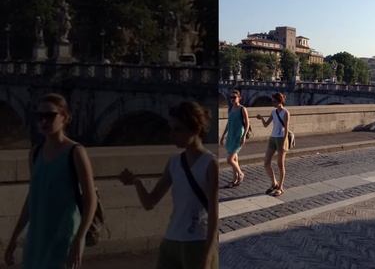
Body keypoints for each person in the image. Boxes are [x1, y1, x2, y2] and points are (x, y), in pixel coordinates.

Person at [118, 101, 218, 269]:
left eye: (178, 129)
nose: (171, 135)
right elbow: (149, 203)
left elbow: (214, 214)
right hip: (171, 241)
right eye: (171, 129)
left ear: (195, 129)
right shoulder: (174, 163)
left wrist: (207, 257)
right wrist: (137, 182)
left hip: (197, 243)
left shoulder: (210, 163)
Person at [4, 93, 97, 269]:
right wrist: (14, 237)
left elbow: (90, 200)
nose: (43, 121)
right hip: (36, 237)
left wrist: (79, 238)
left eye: (50, 116)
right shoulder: (35, 153)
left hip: (64, 236)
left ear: (65, 117)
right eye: (39, 117)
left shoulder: (76, 152)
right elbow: (32, 197)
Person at [256, 92, 290, 197]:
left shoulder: (285, 113)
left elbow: (286, 129)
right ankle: (274, 183)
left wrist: (284, 142)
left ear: (280, 101)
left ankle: (280, 187)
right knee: (266, 163)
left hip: (281, 139)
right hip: (273, 138)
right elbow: (266, 125)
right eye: (272, 101)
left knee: (280, 165)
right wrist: (261, 118)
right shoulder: (274, 112)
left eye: (274, 101)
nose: (272, 103)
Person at [219, 90, 249, 188]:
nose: (232, 99)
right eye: (231, 97)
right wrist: (223, 135)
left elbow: (247, 124)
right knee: (234, 158)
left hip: (238, 136)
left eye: (234, 97)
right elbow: (229, 123)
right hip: (231, 135)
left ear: (239, 98)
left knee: (229, 159)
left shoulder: (242, 109)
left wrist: (244, 136)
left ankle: (241, 174)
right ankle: (234, 179)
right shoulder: (231, 108)